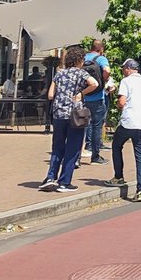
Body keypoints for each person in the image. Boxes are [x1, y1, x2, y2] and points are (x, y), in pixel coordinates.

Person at [39, 46, 98, 193]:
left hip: (59, 114)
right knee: (72, 148)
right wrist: (81, 94)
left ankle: (51, 177)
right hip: (75, 114)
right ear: (79, 60)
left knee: (57, 147)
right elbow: (95, 84)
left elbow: (50, 95)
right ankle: (65, 182)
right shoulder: (81, 73)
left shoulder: (59, 74)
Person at [107, 58, 141, 201]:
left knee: (116, 145)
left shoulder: (126, 82)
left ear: (128, 68)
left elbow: (121, 102)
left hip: (128, 122)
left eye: (123, 69)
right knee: (140, 156)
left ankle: (119, 176)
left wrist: (117, 104)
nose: (123, 71)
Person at [79, 39, 111, 165]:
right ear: (101, 49)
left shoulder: (83, 58)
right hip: (97, 97)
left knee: (81, 126)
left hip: (83, 96)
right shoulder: (101, 59)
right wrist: (103, 81)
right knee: (97, 126)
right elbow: (107, 71)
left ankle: (77, 157)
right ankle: (95, 156)